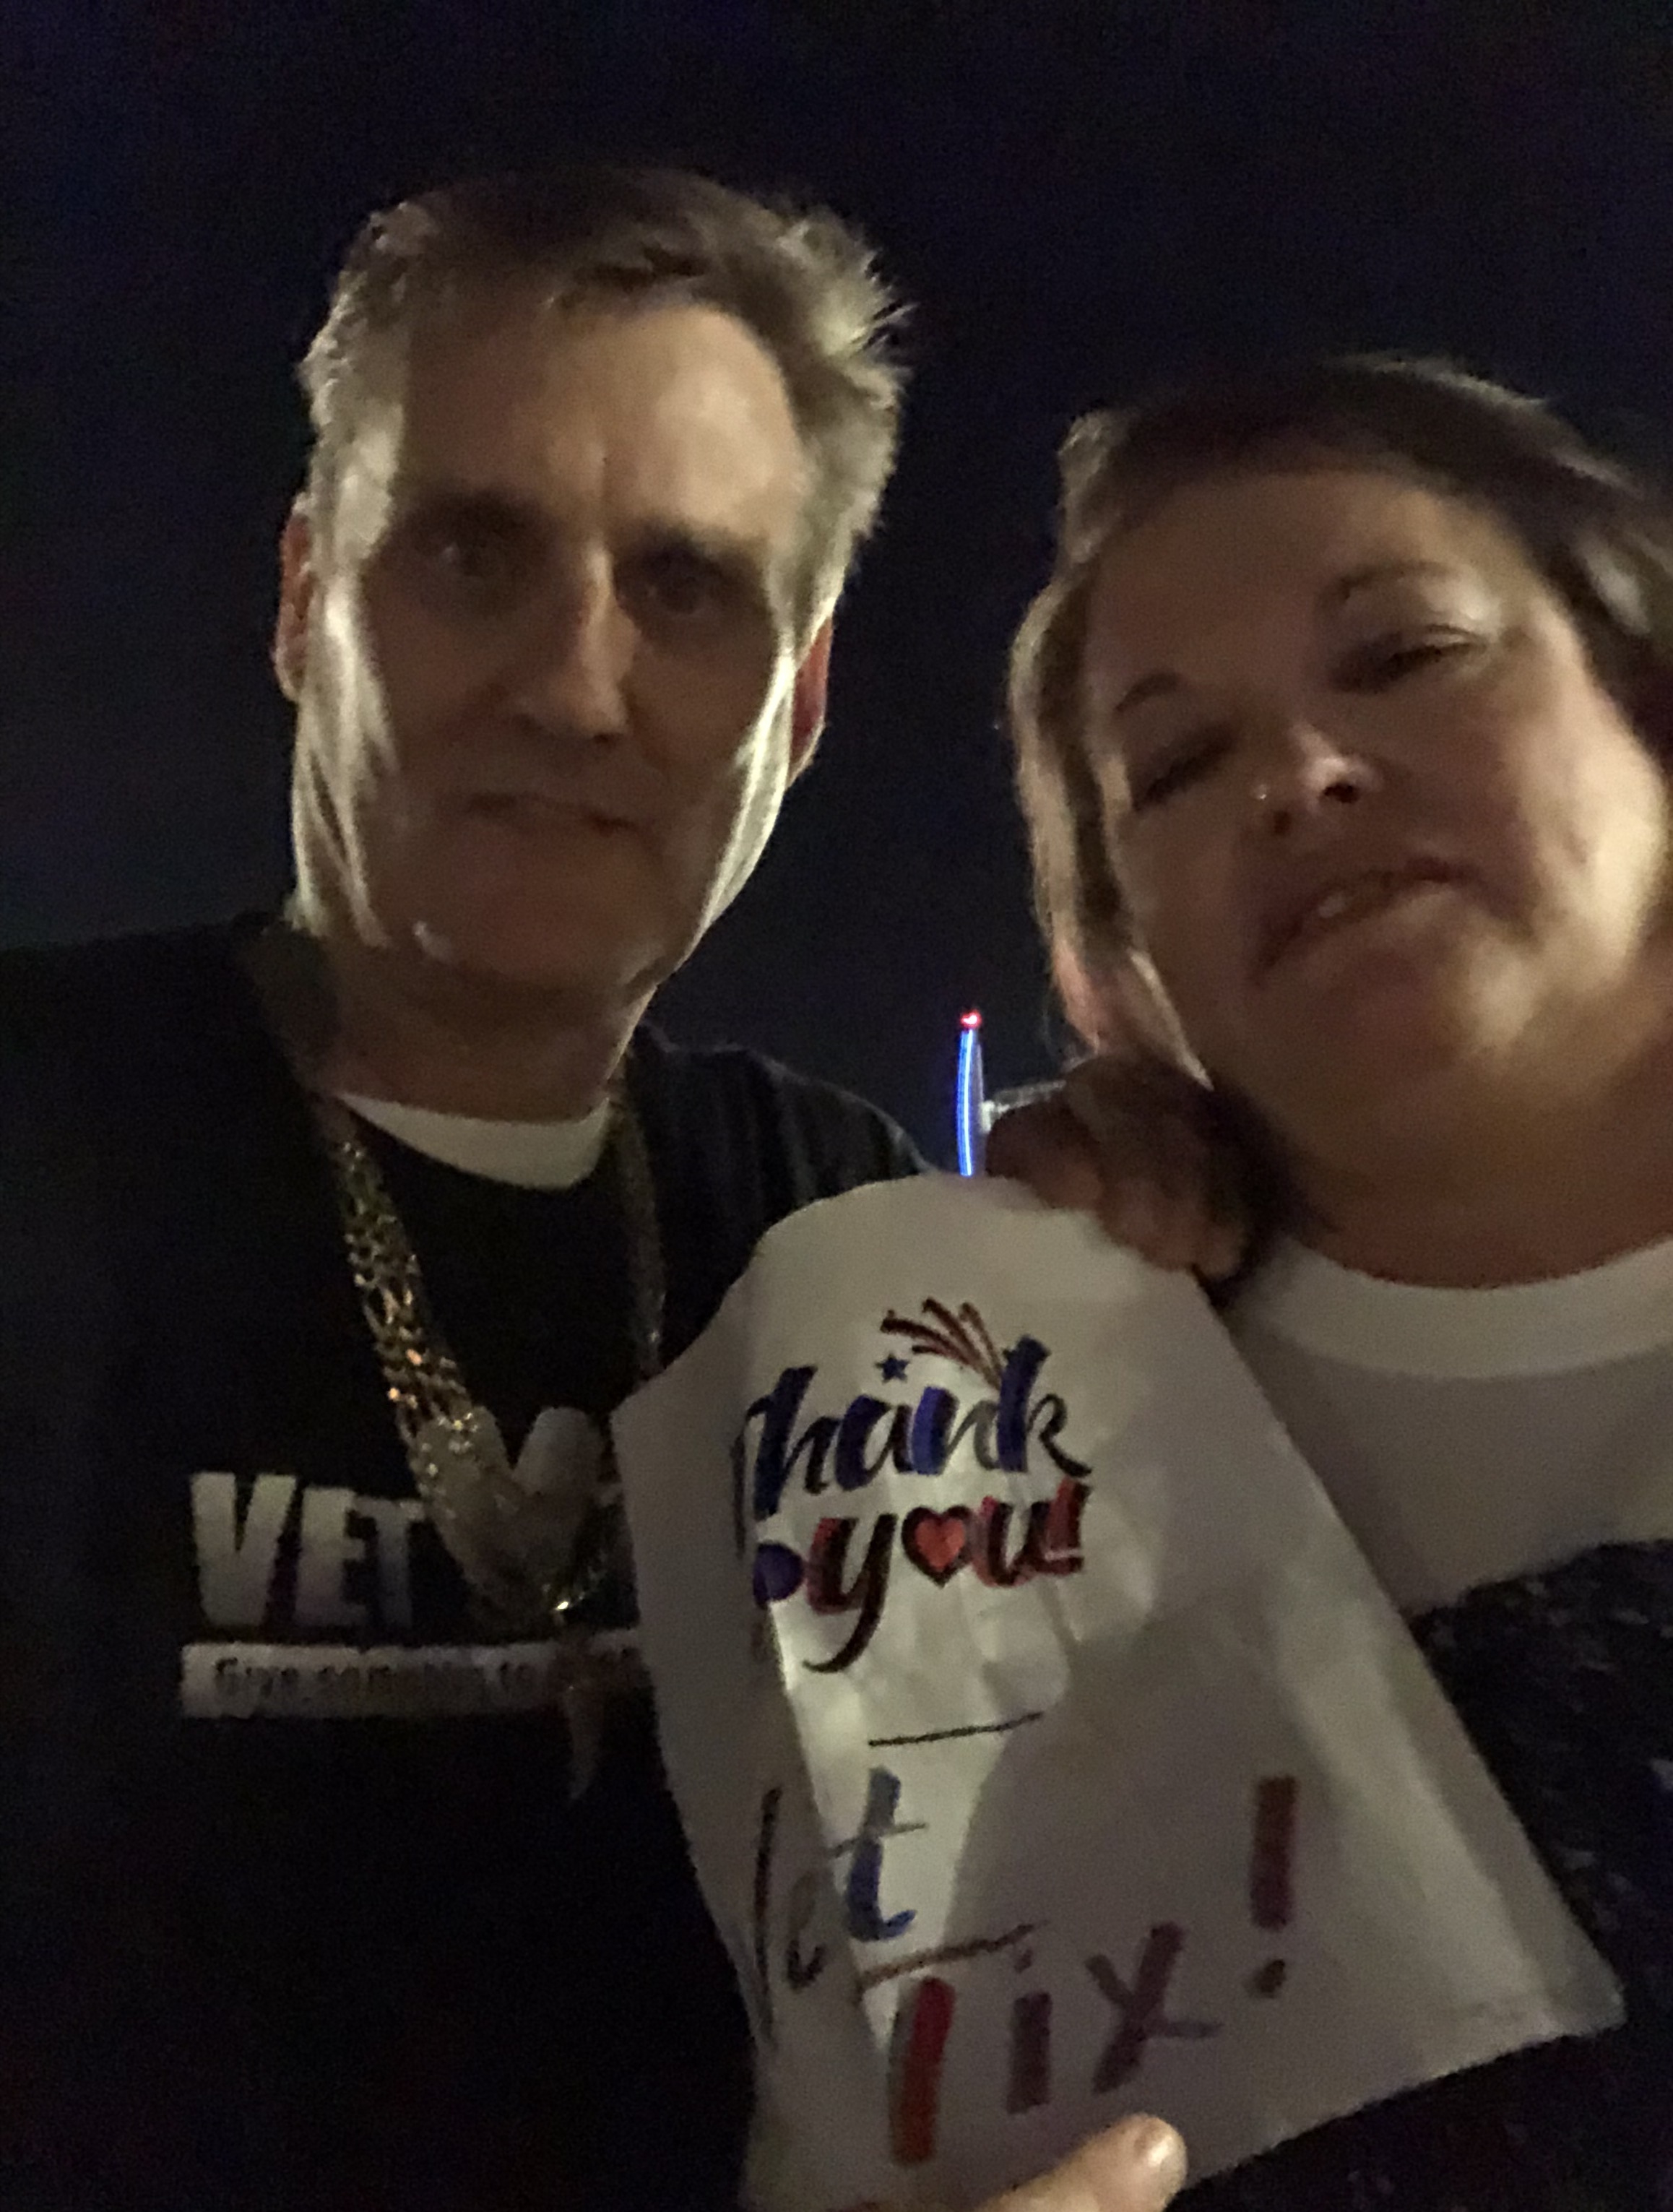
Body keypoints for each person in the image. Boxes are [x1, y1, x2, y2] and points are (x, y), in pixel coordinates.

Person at [999, 354, 1673, 2207]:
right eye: (1177, 765)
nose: (1299, 777)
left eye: (1404, 654)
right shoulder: (1038, 1448)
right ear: (1118, 949)